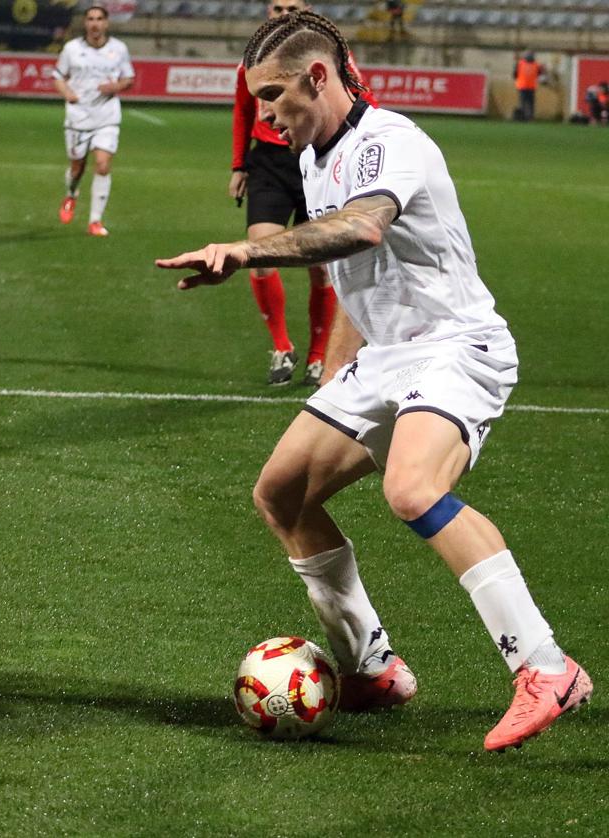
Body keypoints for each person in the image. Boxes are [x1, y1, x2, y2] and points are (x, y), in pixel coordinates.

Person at [157, 11, 592, 751]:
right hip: (385, 357)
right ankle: (372, 669)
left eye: (271, 96)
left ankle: (547, 668)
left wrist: (245, 250)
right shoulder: (311, 157)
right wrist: (336, 366)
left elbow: (362, 230)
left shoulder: (389, 143)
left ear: (316, 78)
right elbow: (360, 276)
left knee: (412, 489)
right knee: (280, 494)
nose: (263, 114)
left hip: (458, 347)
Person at [230, 0, 374, 387]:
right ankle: (281, 346)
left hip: (316, 156)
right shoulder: (255, 59)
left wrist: (364, 148)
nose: (282, 12)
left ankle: (317, 354)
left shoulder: (325, 54)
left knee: (322, 264)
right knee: (259, 250)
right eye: (276, 7)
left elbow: (363, 100)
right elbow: (243, 112)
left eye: (290, 6)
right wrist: (238, 165)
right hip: (269, 165)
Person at [53, 5, 135, 238]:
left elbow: (129, 78)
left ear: (106, 23)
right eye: (90, 19)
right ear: (85, 23)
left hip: (107, 117)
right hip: (78, 117)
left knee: (102, 165)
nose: (95, 23)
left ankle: (95, 221)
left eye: (99, 19)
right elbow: (58, 77)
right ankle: (71, 194)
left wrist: (115, 86)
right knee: (77, 167)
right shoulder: (72, 49)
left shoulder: (119, 49)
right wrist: (67, 93)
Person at [513, 51, 542, 122]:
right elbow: (539, 74)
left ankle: (524, 117)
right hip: (528, 87)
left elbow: (514, 74)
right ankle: (529, 117)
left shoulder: (520, 63)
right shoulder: (536, 64)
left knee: (524, 103)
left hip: (524, 86)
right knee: (530, 103)